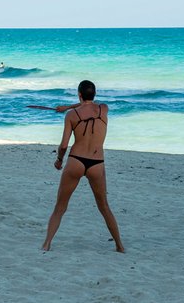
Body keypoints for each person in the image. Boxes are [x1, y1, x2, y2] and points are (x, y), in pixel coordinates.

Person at [42, 80, 124, 253]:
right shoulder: (104, 109)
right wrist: (69, 106)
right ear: (94, 94)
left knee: (60, 207)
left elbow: (64, 145)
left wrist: (59, 160)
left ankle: (46, 244)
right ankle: (119, 246)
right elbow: (88, 104)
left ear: (79, 94)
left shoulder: (72, 115)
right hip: (97, 163)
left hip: (76, 161)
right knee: (104, 207)